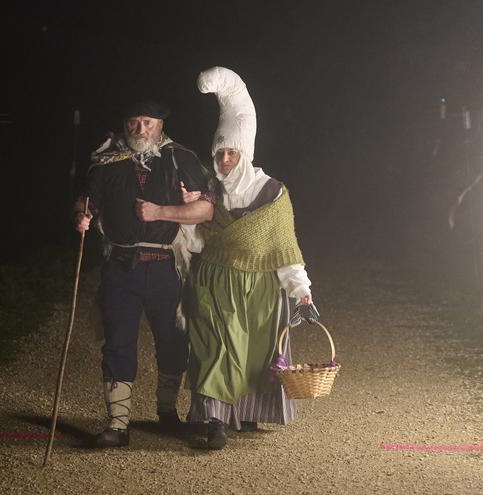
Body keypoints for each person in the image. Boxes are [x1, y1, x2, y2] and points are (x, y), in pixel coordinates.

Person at [181, 67, 320, 450]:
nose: (224, 159)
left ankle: (245, 412)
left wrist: (300, 289)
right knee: (214, 348)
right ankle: (215, 421)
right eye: (219, 152)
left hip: (260, 287)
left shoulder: (272, 192)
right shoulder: (207, 190)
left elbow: (283, 246)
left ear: (244, 153)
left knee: (254, 352)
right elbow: (195, 238)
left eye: (231, 152)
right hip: (215, 282)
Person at [73, 98, 216, 448]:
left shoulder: (180, 158)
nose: (140, 130)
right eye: (134, 122)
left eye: (147, 123)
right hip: (120, 266)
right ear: (125, 125)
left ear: (160, 125)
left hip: (167, 266)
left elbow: (206, 210)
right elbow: (86, 200)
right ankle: (118, 424)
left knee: (172, 341)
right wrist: (82, 215)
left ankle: (167, 414)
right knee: (118, 341)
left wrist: (160, 213)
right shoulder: (107, 161)